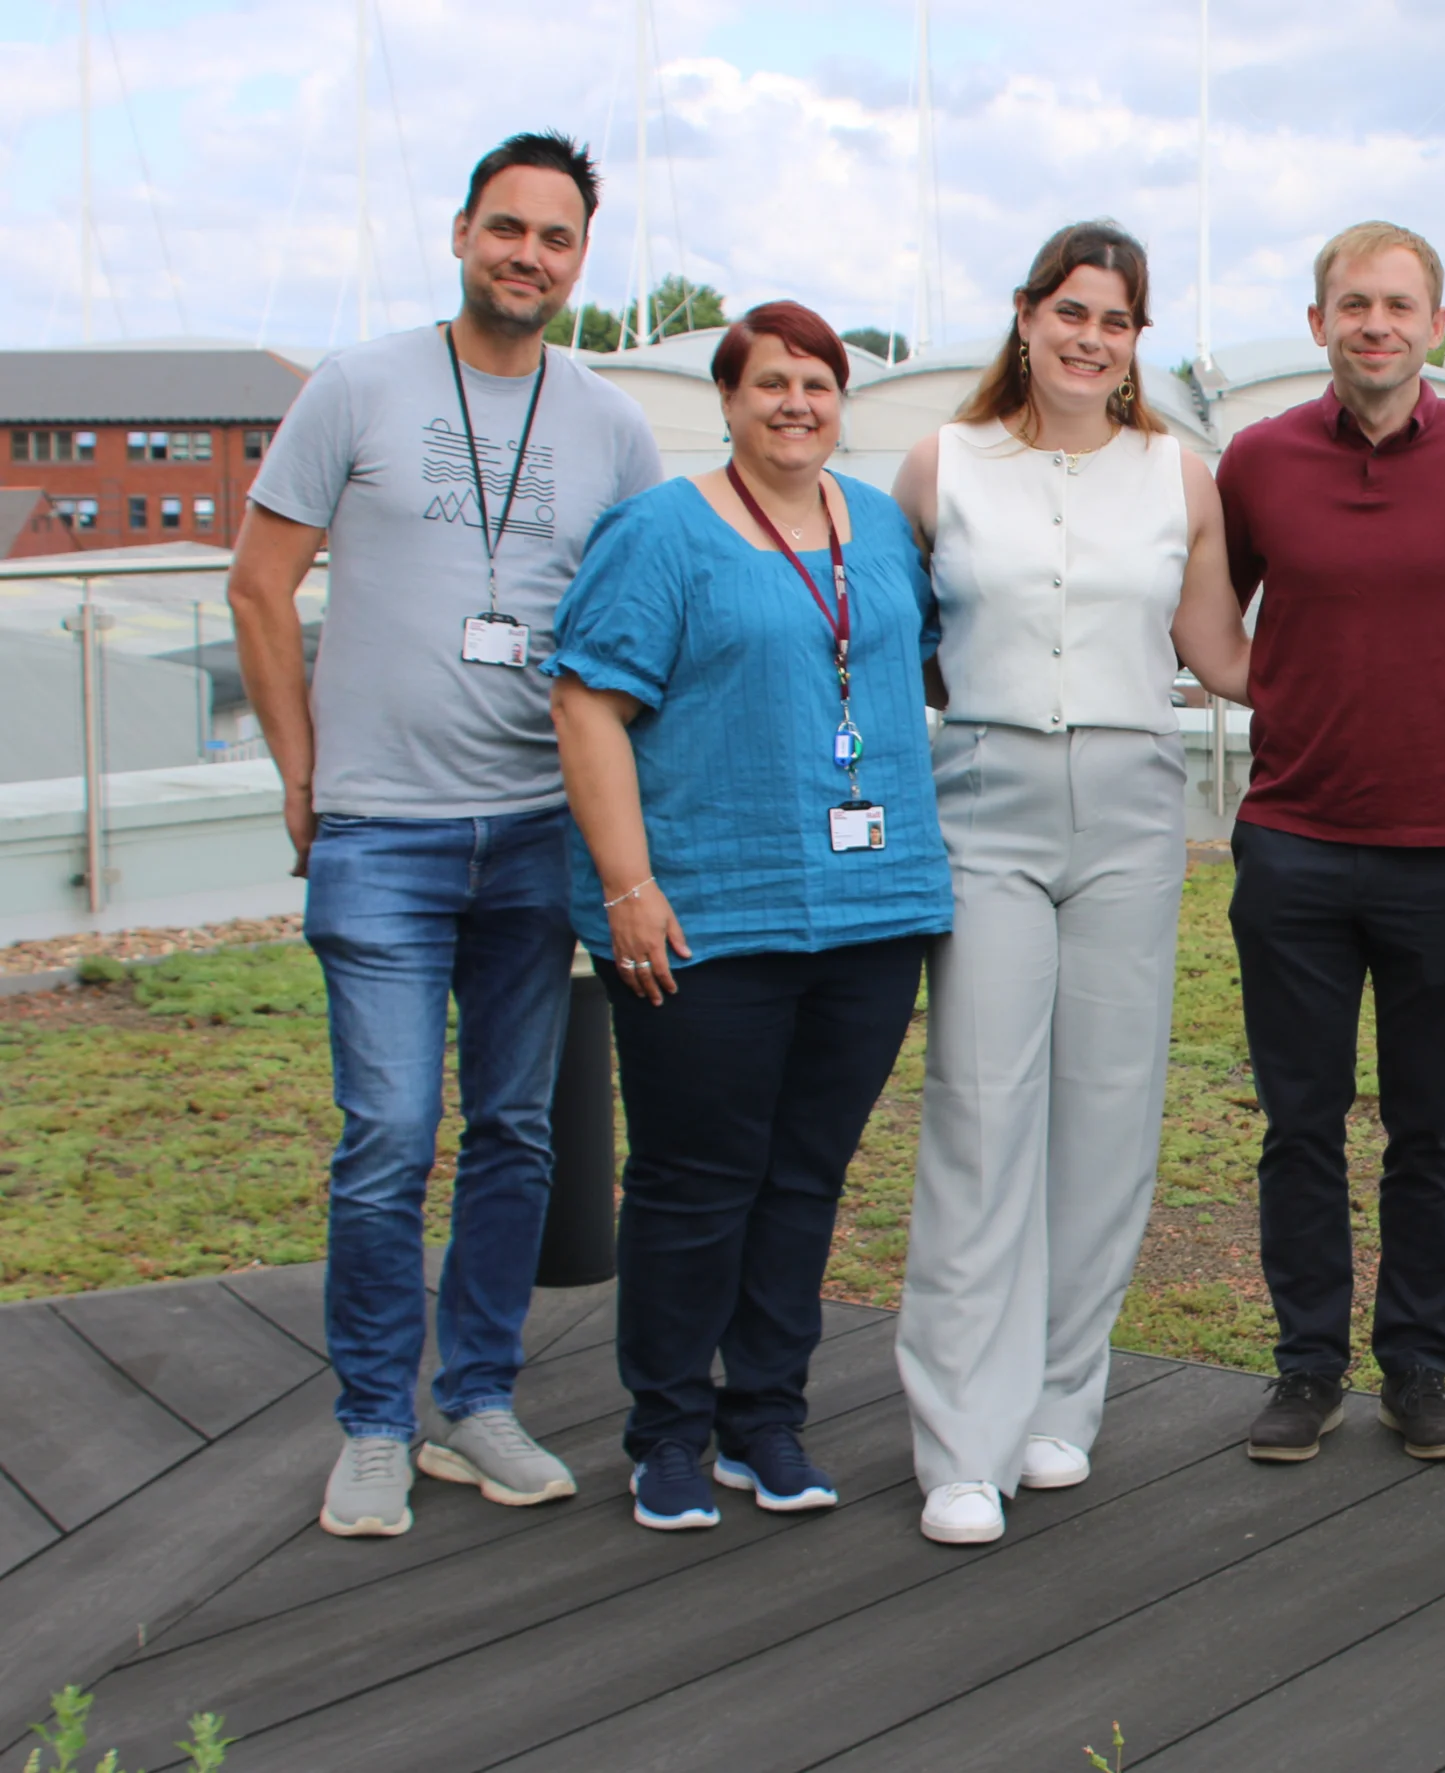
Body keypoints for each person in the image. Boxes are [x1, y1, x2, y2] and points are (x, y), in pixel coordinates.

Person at [227, 132, 661, 1538]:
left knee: (518, 1132)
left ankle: (473, 1398)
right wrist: (304, 778)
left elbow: (647, 625)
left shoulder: (610, 425)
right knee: (387, 1131)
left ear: (582, 260)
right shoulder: (358, 385)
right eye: (507, 228)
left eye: (556, 237)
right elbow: (257, 585)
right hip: (385, 835)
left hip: (538, 832)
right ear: (463, 233)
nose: (528, 255)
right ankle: (371, 1418)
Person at [546, 301, 948, 1532]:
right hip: (704, 918)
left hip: (871, 916)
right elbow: (585, 706)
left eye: (817, 385)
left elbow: (909, 668)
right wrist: (627, 886)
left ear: (843, 404)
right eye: (768, 383)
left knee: (805, 1177)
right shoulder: (660, 534)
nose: (794, 404)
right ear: (726, 402)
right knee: (692, 1180)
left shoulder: (877, 528)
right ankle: (665, 1428)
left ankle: (763, 1416)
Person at [890, 222, 1251, 1547]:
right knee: (982, 1115)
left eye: (1118, 318)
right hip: (982, 796)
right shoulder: (942, 468)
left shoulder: (1179, 475)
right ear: (1026, 315)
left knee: (1107, 1110)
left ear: (1136, 340)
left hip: (1131, 803)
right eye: (1070, 311)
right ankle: (959, 1440)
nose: (1092, 338)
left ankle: (1059, 1398)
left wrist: (1399, 649)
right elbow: (895, 645)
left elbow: (1221, 654)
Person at [1219, 222, 1445, 1466]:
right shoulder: (1253, 461)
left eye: (1399, 305)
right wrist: (1286, 697)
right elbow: (1212, 606)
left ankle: (1417, 1365)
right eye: (1352, 304)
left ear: (1438, 326)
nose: (1375, 325)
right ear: (1317, 324)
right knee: (1297, 1123)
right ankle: (1305, 1366)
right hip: (1293, 842)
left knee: (1431, 1125)